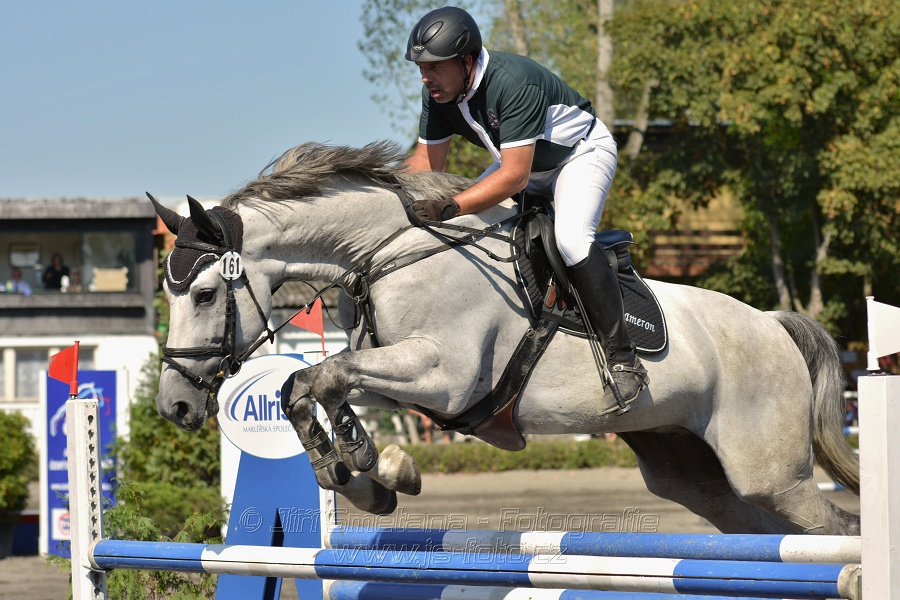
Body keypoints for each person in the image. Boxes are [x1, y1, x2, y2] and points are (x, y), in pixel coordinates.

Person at [403, 6, 648, 404]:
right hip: (525, 164)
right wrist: (383, 195)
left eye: (434, 66)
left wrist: (449, 206)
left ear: (467, 61)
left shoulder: (512, 81)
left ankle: (623, 359)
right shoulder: (440, 95)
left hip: (580, 155)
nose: (425, 77)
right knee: (466, 228)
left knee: (570, 240)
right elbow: (424, 166)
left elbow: (515, 177)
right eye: (421, 67)